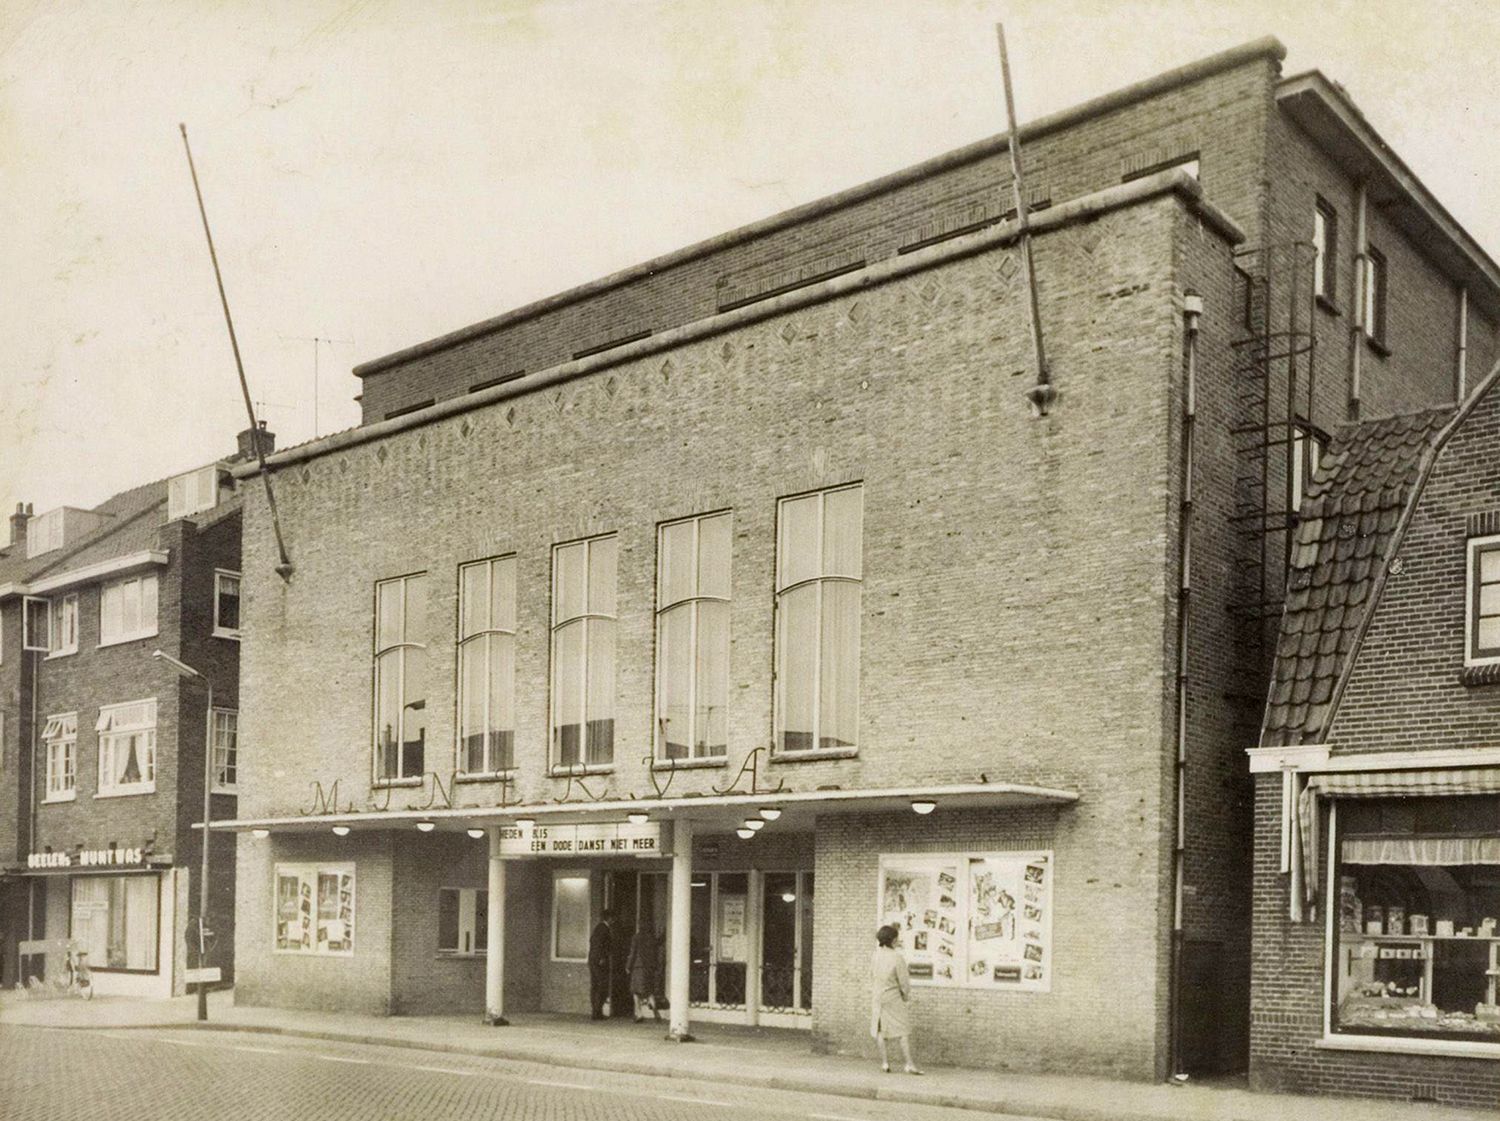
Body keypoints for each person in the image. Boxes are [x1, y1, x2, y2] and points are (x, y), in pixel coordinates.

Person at [870, 924, 922, 1074]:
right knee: (903, 1030)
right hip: (893, 998)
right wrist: (905, 996)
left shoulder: (875, 955)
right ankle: (909, 1064)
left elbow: (871, 976)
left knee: (880, 1030)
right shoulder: (897, 958)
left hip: (878, 997)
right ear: (892, 940)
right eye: (897, 938)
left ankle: (885, 1063)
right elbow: (904, 982)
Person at [626, 919, 661, 1022]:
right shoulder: (651, 938)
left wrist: (628, 966)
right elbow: (657, 946)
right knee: (649, 990)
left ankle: (639, 1013)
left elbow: (633, 953)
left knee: (635, 991)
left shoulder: (636, 937)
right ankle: (655, 1010)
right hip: (649, 968)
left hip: (638, 967)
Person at [588, 909, 616, 1020]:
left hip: (593, 960)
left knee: (595, 986)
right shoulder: (604, 928)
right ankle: (597, 1012)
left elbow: (592, 942)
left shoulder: (598, 928)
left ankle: (596, 1011)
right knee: (601, 986)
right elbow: (599, 944)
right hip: (599, 961)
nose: (614, 920)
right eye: (612, 918)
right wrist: (602, 957)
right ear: (608, 918)